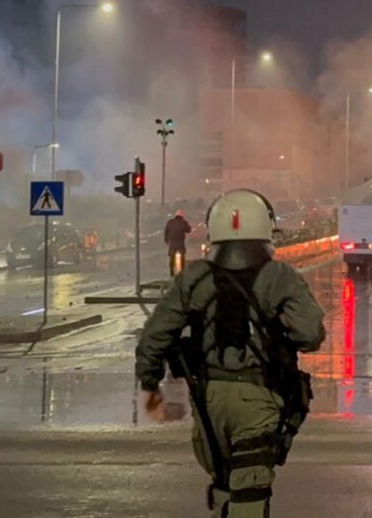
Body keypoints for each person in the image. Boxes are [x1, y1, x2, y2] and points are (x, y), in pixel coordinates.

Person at [136, 189, 326, 518]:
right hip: (258, 400)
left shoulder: (193, 277)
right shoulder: (281, 277)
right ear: (266, 229)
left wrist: (150, 382)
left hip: (207, 400)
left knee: (225, 483)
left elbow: (155, 335)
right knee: (249, 495)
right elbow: (310, 335)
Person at [164, 210, 193, 276]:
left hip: (172, 243)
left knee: (172, 257)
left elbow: (166, 231)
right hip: (180, 242)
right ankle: (182, 273)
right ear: (182, 216)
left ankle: (171, 273)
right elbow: (189, 230)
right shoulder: (183, 222)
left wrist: (166, 240)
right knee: (182, 256)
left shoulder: (170, 222)